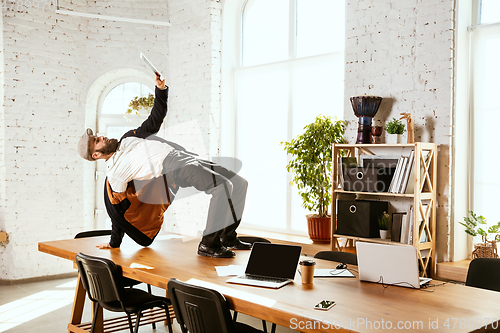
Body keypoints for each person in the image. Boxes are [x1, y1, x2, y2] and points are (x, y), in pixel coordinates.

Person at [77, 74, 251, 258]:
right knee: (222, 186)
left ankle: (228, 238)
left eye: (98, 135)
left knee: (239, 183)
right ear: (96, 155)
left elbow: (155, 119)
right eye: (97, 140)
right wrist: (114, 242)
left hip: (185, 157)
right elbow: (118, 212)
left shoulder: (128, 137)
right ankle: (209, 244)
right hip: (172, 167)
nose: (101, 136)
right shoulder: (115, 174)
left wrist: (160, 90)